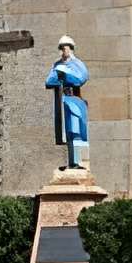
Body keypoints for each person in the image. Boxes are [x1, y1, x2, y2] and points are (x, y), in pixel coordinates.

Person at [45, 37, 90, 171]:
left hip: (75, 99)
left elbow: (81, 78)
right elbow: (49, 81)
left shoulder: (77, 64)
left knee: (76, 130)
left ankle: (80, 162)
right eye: (62, 48)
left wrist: (66, 73)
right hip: (63, 100)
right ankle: (72, 162)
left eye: (67, 47)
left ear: (71, 48)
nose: (64, 50)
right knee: (68, 133)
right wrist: (59, 73)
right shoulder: (57, 64)